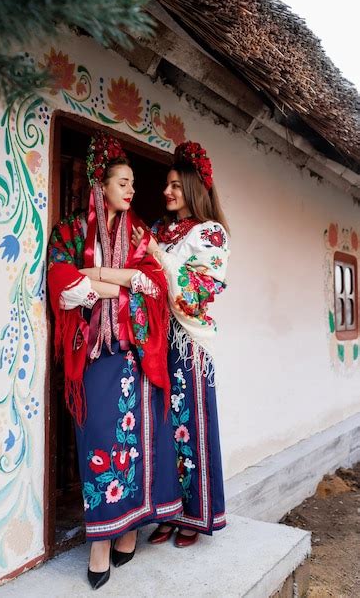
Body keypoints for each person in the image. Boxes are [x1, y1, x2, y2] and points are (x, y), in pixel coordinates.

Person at [47, 132, 182, 590]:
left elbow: (156, 286)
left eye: (131, 183)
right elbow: (62, 283)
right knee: (101, 442)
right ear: (100, 185)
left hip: (137, 358)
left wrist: (102, 277)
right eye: (122, 182)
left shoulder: (141, 233)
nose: (130, 189)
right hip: (97, 356)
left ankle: (129, 533)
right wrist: (120, 286)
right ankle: (101, 540)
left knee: (141, 443)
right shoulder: (70, 231)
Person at [132, 140, 230, 547]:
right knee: (162, 427)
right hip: (156, 340)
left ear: (192, 188)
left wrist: (158, 255)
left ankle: (197, 513)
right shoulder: (158, 229)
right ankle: (168, 511)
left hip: (188, 342)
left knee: (192, 426)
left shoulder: (212, 234)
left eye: (175, 185)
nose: (167, 192)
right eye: (167, 185)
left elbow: (198, 290)